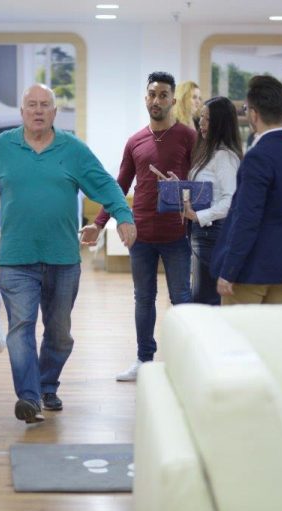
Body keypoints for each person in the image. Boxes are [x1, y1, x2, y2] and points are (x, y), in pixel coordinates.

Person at [0, 84, 136, 424]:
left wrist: (123, 215)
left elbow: (106, 185)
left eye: (45, 105)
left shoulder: (73, 149)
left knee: (59, 334)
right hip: (16, 259)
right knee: (21, 328)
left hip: (63, 259)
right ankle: (29, 397)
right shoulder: (2, 147)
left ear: (55, 112)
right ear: (21, 111)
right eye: (31, 105)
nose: (38, 110)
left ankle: (46, 385)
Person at [82, 71, 197, 382]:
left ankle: (186, 362)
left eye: (163, 95)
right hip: (141, 234)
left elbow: (202, 179)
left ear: (173, 100)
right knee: (143, 299)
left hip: (177, 234)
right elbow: (119, 186)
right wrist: (98, 224)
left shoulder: (188, 137)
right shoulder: (135, 141)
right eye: (152, 94)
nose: (156, 100)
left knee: (181, 298)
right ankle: (144, 360)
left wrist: (183, 188)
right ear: (146, 98)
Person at [210, 75, 282, 305]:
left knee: (236, 329)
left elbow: (247, 218)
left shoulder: (258, 157)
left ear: (254, 114)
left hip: (251, 271)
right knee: (275, 330)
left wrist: (229, 269)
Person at [182, 96, 242, 305]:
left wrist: (199, 216)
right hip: (202, 231)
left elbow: (230, 201)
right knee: (202, 296)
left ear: (220, 123)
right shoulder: (209, 153)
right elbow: (205, 190)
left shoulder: (225, 157)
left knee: (205, 299)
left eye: (207, 119)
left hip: (211, 233)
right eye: (201, 117)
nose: (201, 123)